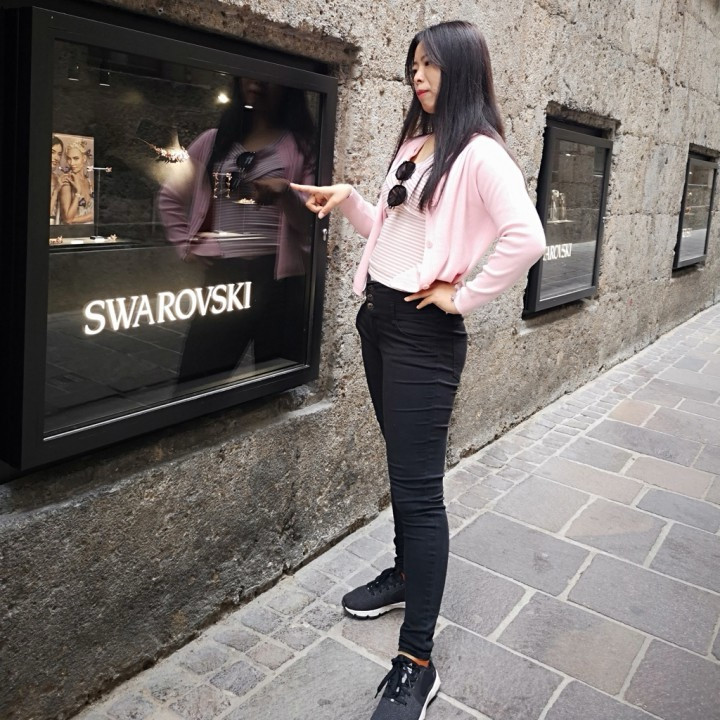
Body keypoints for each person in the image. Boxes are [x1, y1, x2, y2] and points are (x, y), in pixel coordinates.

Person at [292, 20, 546, 720]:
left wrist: (463, 296)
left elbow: (528, 237)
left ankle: (417, 662)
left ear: (461, 69)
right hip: (379, 321)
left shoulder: (481, 153)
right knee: (402, 470)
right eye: (413, 66)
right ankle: (406, 575)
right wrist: (351, 201)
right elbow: (395, 231)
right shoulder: (416, 144)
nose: (418, 77)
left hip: (424, 339)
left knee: (420, 491)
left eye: (430, 65)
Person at [157, 77, 316, 383]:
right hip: (224, 276)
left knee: (276, 384)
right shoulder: (213, 141)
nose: (257, 82)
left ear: (288, 87)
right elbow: (170, 196)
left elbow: (311, 223)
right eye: (249, 74)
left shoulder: (301, 147)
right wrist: (186, 244)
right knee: (198, 380)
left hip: (278, 280)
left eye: (269, 77)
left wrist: (285, 193)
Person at [59, 138, 94, 224]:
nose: (71, 163)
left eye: (76, 158)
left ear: (84, 158)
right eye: (69, 159)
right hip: (73, 231)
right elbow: (67, 220)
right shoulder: (67, 182)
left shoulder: (90, 183)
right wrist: (78, 192)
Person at [50, 136, 64, 225]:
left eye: (59, 154)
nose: (57, 158)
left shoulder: (57, 177)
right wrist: (56, 191)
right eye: (52, 152)